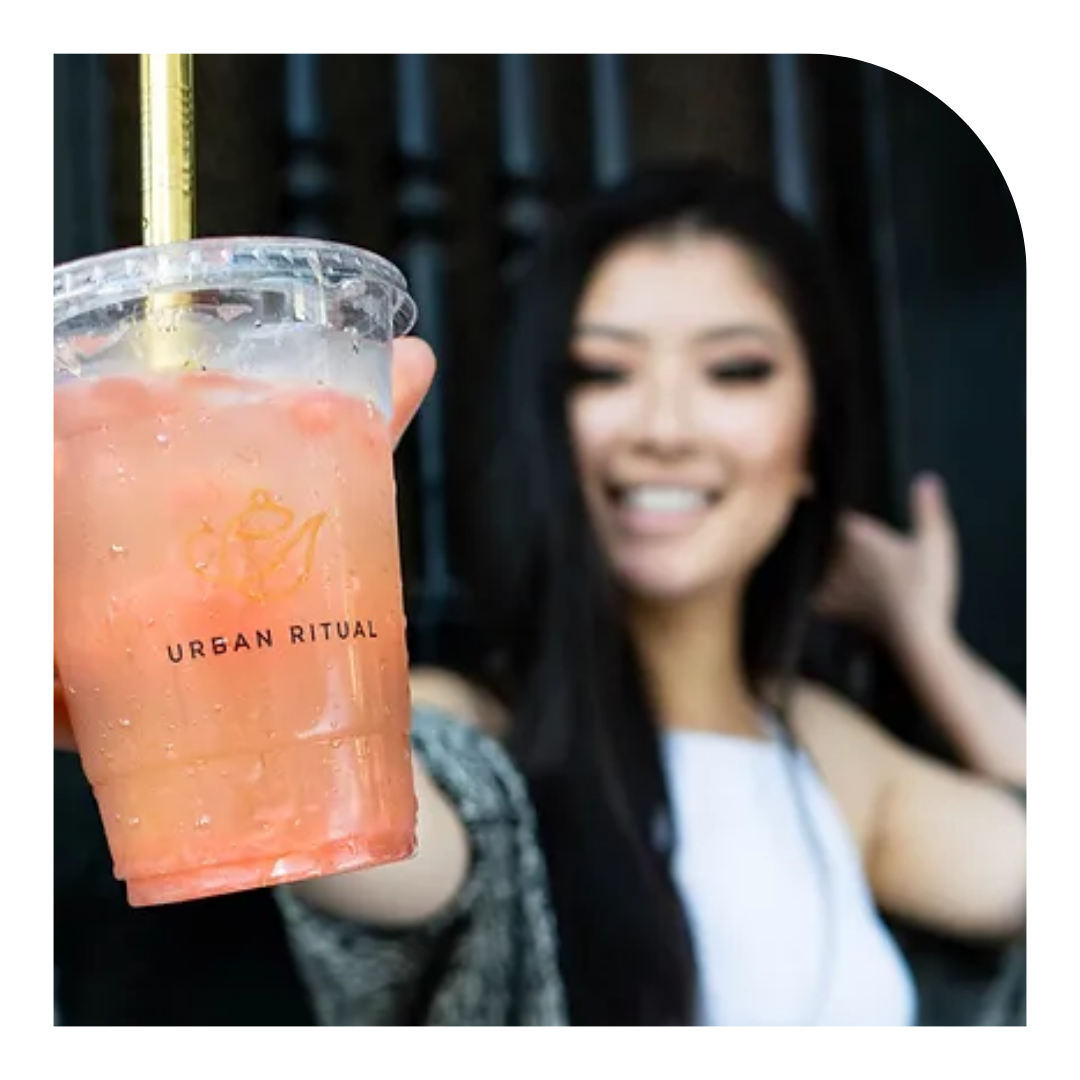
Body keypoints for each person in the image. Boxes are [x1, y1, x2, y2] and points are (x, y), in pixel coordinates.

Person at [55, 162, 1025, 1026]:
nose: (665, 427)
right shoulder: (466, 727)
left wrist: (922, 637)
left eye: (736, 369)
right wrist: (240, 618)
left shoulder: (825, 752)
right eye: (604, 372)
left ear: (814, 434)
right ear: (548, 429)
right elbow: (378, 845)